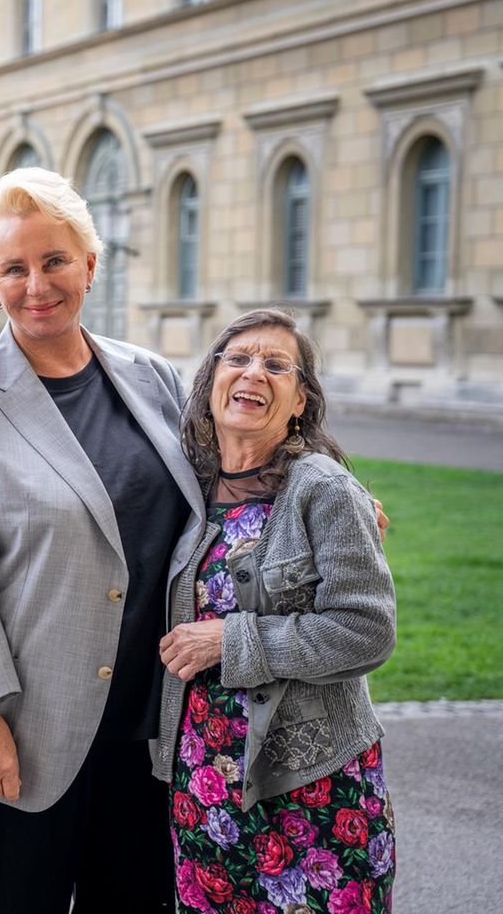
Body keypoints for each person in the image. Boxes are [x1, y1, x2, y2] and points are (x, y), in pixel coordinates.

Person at [0, 166, 204, 912]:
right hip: (23, 736)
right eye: (14, 267)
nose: (37, 282)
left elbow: (226, 490)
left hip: (146, 733)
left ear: (90, 263)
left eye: (55, 259)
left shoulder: (152, 377)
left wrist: (334, 497)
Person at [155, 308, 396, 912]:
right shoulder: (186, 487)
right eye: (237, 359)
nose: (252, 373)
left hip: (312, 781)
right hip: (205, 777)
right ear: (210, 381)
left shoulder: (324, 489)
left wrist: (229, 642)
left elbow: (366, 631)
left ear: (300, 401)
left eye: (275, 365)